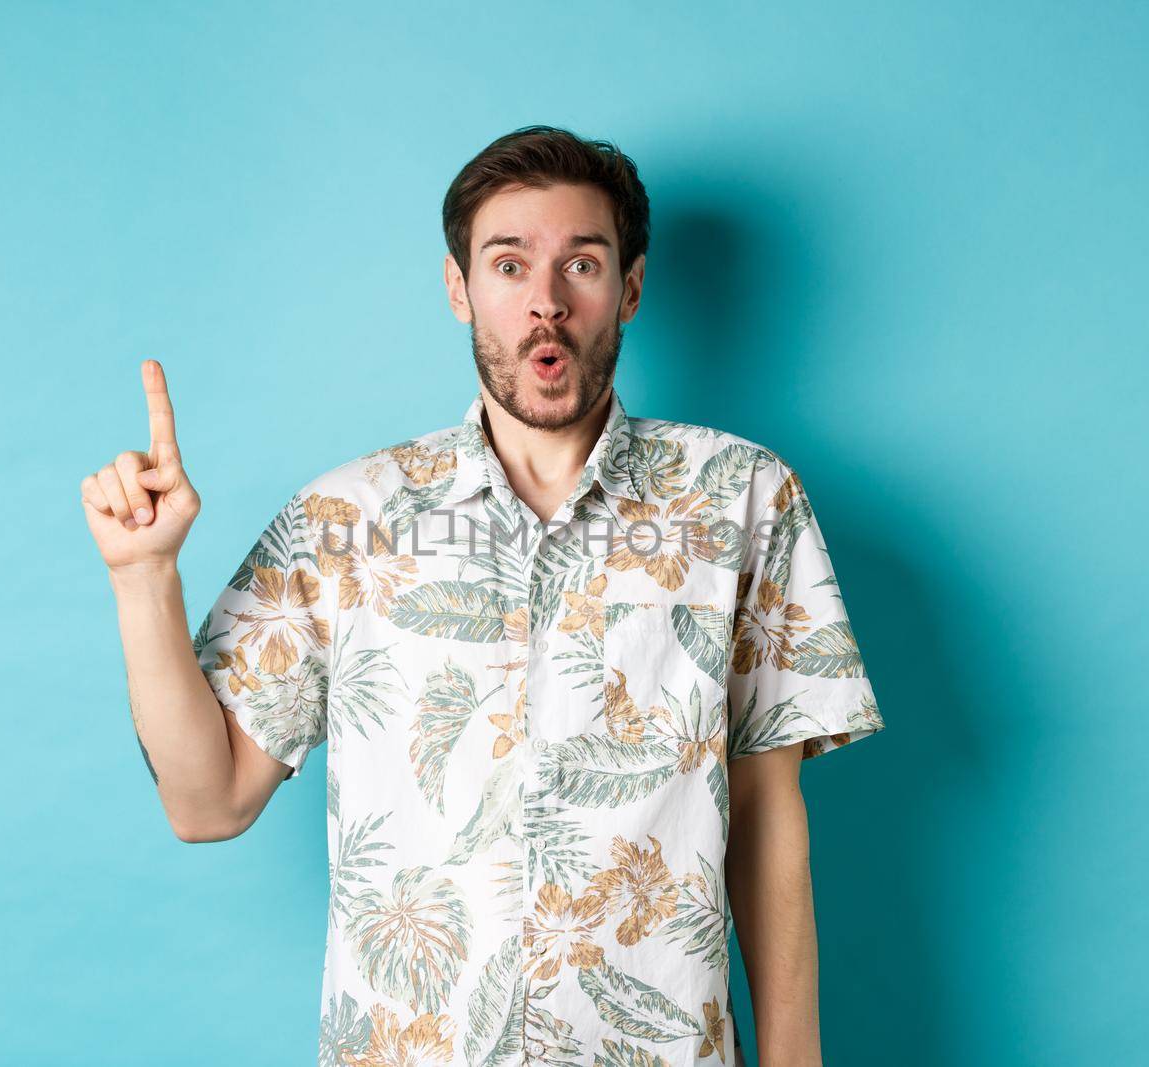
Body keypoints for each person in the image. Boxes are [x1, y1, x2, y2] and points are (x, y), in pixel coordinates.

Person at [80, 125, 884, 1067]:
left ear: (629, 287)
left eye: (581, 263)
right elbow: (205, 802)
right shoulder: (347, 519)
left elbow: (767, 813)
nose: (545, 302)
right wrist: (143, 579)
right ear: (459, 288)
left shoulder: (743, 498)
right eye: (508, 265)